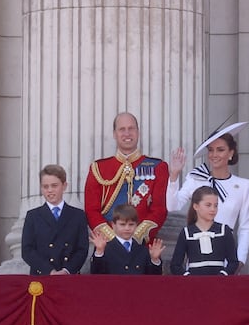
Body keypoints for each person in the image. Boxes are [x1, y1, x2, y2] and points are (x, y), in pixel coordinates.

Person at [166, 122, 249, 269]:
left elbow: (245, 227)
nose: (214, 155)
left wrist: (240, 260)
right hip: (196, 253)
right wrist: (173, 176)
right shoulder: (196, 178)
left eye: (220, 150)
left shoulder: (243, 185)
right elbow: (172, 206)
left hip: (226, 254)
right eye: (211, 150)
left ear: (231, 153)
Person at [83, 112, 172, 252]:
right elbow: (91, 210)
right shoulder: (98, 168)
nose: (127, 133)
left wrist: (136, 237)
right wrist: (113, 239)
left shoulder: (158, 167)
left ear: (138, 132)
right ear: (114, 134)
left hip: (144, 249)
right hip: (107, 248)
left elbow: (159, 210)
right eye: (122, 129)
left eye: (131, 128)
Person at [21, 164, 90, 276]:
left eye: (54, 186)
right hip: (42, 276)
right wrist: (49, 271)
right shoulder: (32, 216)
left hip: (69, 276)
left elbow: (82, 249)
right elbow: (27, 250)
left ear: (64, 186)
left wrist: (66, 271)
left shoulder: (78, 215)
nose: (50, 190)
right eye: (45, 186)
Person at [170, 187, 241, 276]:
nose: (213, 209)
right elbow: (175, 265)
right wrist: (188, 277)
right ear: (196, 206)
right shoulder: (186, 232)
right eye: (208, 205)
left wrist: (223, 274)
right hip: (194, 285)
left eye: (216, 205)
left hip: (219, 284)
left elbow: (233, 262)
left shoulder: (224, 230)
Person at [90, 203, 166, 275]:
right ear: (113, 225)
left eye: (131, 224)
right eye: (122, 224)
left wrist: (155, 260)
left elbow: (153, 280)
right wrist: (99, 252)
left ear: (136, 225)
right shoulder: (105, 248)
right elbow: (96, 276)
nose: (127, 228)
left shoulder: (143, 250)